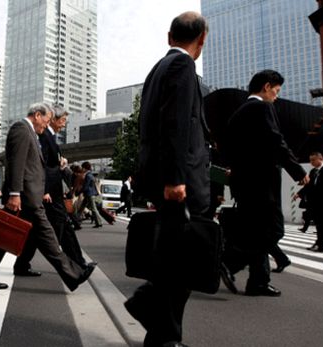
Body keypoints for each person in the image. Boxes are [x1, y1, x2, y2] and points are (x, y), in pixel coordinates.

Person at [124, 12, 210, 347]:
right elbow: (177, 124)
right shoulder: (182, 67)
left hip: (166, 179)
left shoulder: (156, 70)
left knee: (173, 259)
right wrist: (175, 178)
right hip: (181, 182)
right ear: (201, 39)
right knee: (181, 262)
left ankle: (160, 335)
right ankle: (158, 323)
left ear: (169, 36)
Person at [0, 103, 95, 291]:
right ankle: (74, 275)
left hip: (29, 196)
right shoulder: (21, 129)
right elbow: (16, 163)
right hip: (24, 197)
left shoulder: (30, 132)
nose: (46, 126)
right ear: (37, 115)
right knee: (44, 238)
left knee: (5, 236)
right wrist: (14, 193)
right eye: (46, 122)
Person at [223, 70, 309, 295]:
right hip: (260, 182)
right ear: (266, 86)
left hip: (242, 183)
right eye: (276, 91)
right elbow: (275, 140)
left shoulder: (237, 113)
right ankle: (229, 263)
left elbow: (228, 150)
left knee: (256, 231)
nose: (277, 96)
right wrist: (297, 170)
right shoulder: (261, 107)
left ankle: (258, 282)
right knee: (272, 230)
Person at [13, 105, 92, 275]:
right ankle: (77, 267)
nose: (64, 124)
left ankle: (78, 264)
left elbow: (48, 163)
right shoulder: (42, 134)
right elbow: (42, 165)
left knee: (53, 229)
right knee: (51, 233)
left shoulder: (49, 135)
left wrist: (60, 164)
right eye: (62, 120)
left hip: (52, 192)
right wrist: (45, 190)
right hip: (48, 192)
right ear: (52, 119)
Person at [79, 161, 103, 228]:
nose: (82, 169)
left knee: (93, 209)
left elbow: (86, 186)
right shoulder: (91, 175)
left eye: (82, 167)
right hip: (89, 194)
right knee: (81, 208)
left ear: (85, 168)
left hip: (89, 194)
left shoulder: (88, 175)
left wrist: (80, 191)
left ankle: (99, 222)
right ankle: (76, 220)